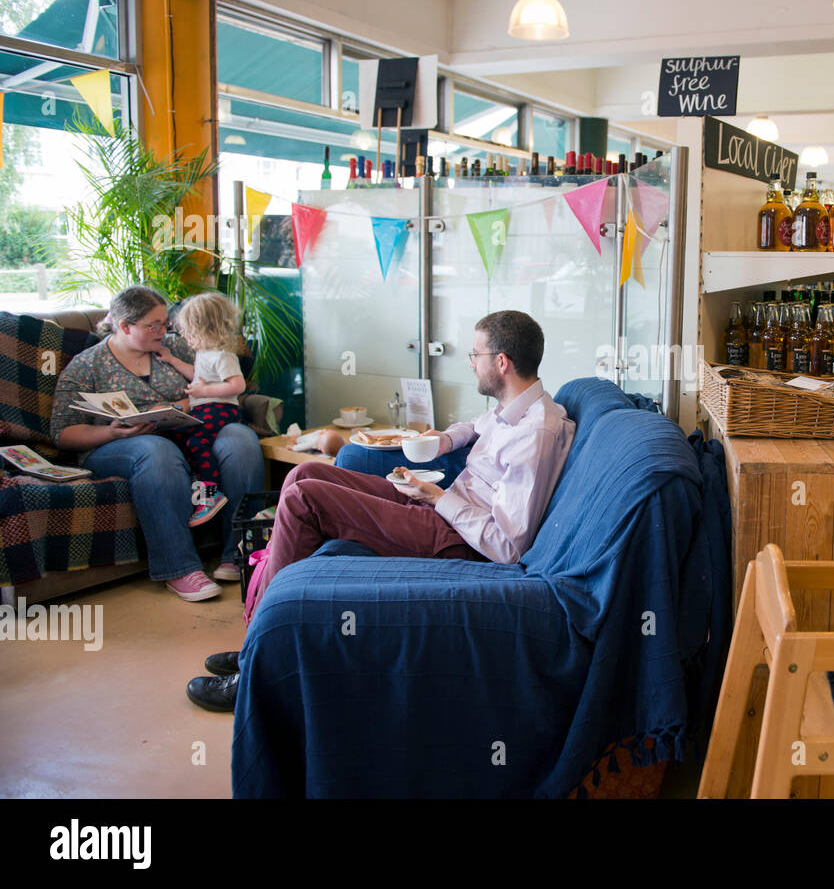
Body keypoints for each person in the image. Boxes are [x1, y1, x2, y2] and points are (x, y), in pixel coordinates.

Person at [186, 309, 576, 711]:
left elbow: (507, 546)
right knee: (304, 474)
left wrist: (437, 497)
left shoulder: (535, 434)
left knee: (306, 500)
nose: (471, 363)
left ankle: (258, 663)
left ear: (501, 362)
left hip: (460, 539)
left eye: (475, 355)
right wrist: (442, 440)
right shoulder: (516, 407)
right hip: (445, 512)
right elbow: (476, 426)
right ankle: (261, 639)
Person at [51, 286, 264, 600]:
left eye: (166, 323)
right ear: (125, 326)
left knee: (241, 440)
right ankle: (180, 568)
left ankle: (240, 555)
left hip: (189, 430)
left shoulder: (176, 348)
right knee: (156, 449)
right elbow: (63, 433)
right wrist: (113, 431)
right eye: (155, 325)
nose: (164, 331)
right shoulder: (87, 367)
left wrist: (180, 407)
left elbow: (221, 380)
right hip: (118, 445)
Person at [156, 292, 247, 527]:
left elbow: (237, 385)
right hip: (207, 407)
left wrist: (204, 391)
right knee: (179, 434)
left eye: (188, 332)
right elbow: (197, 376)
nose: (185, 337)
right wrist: (172, 361)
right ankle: (198, 482)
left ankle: (210, 492)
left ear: (206, 329)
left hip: (221, 409)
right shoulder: (204, 353)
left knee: (197, 442)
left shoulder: (223, 356)